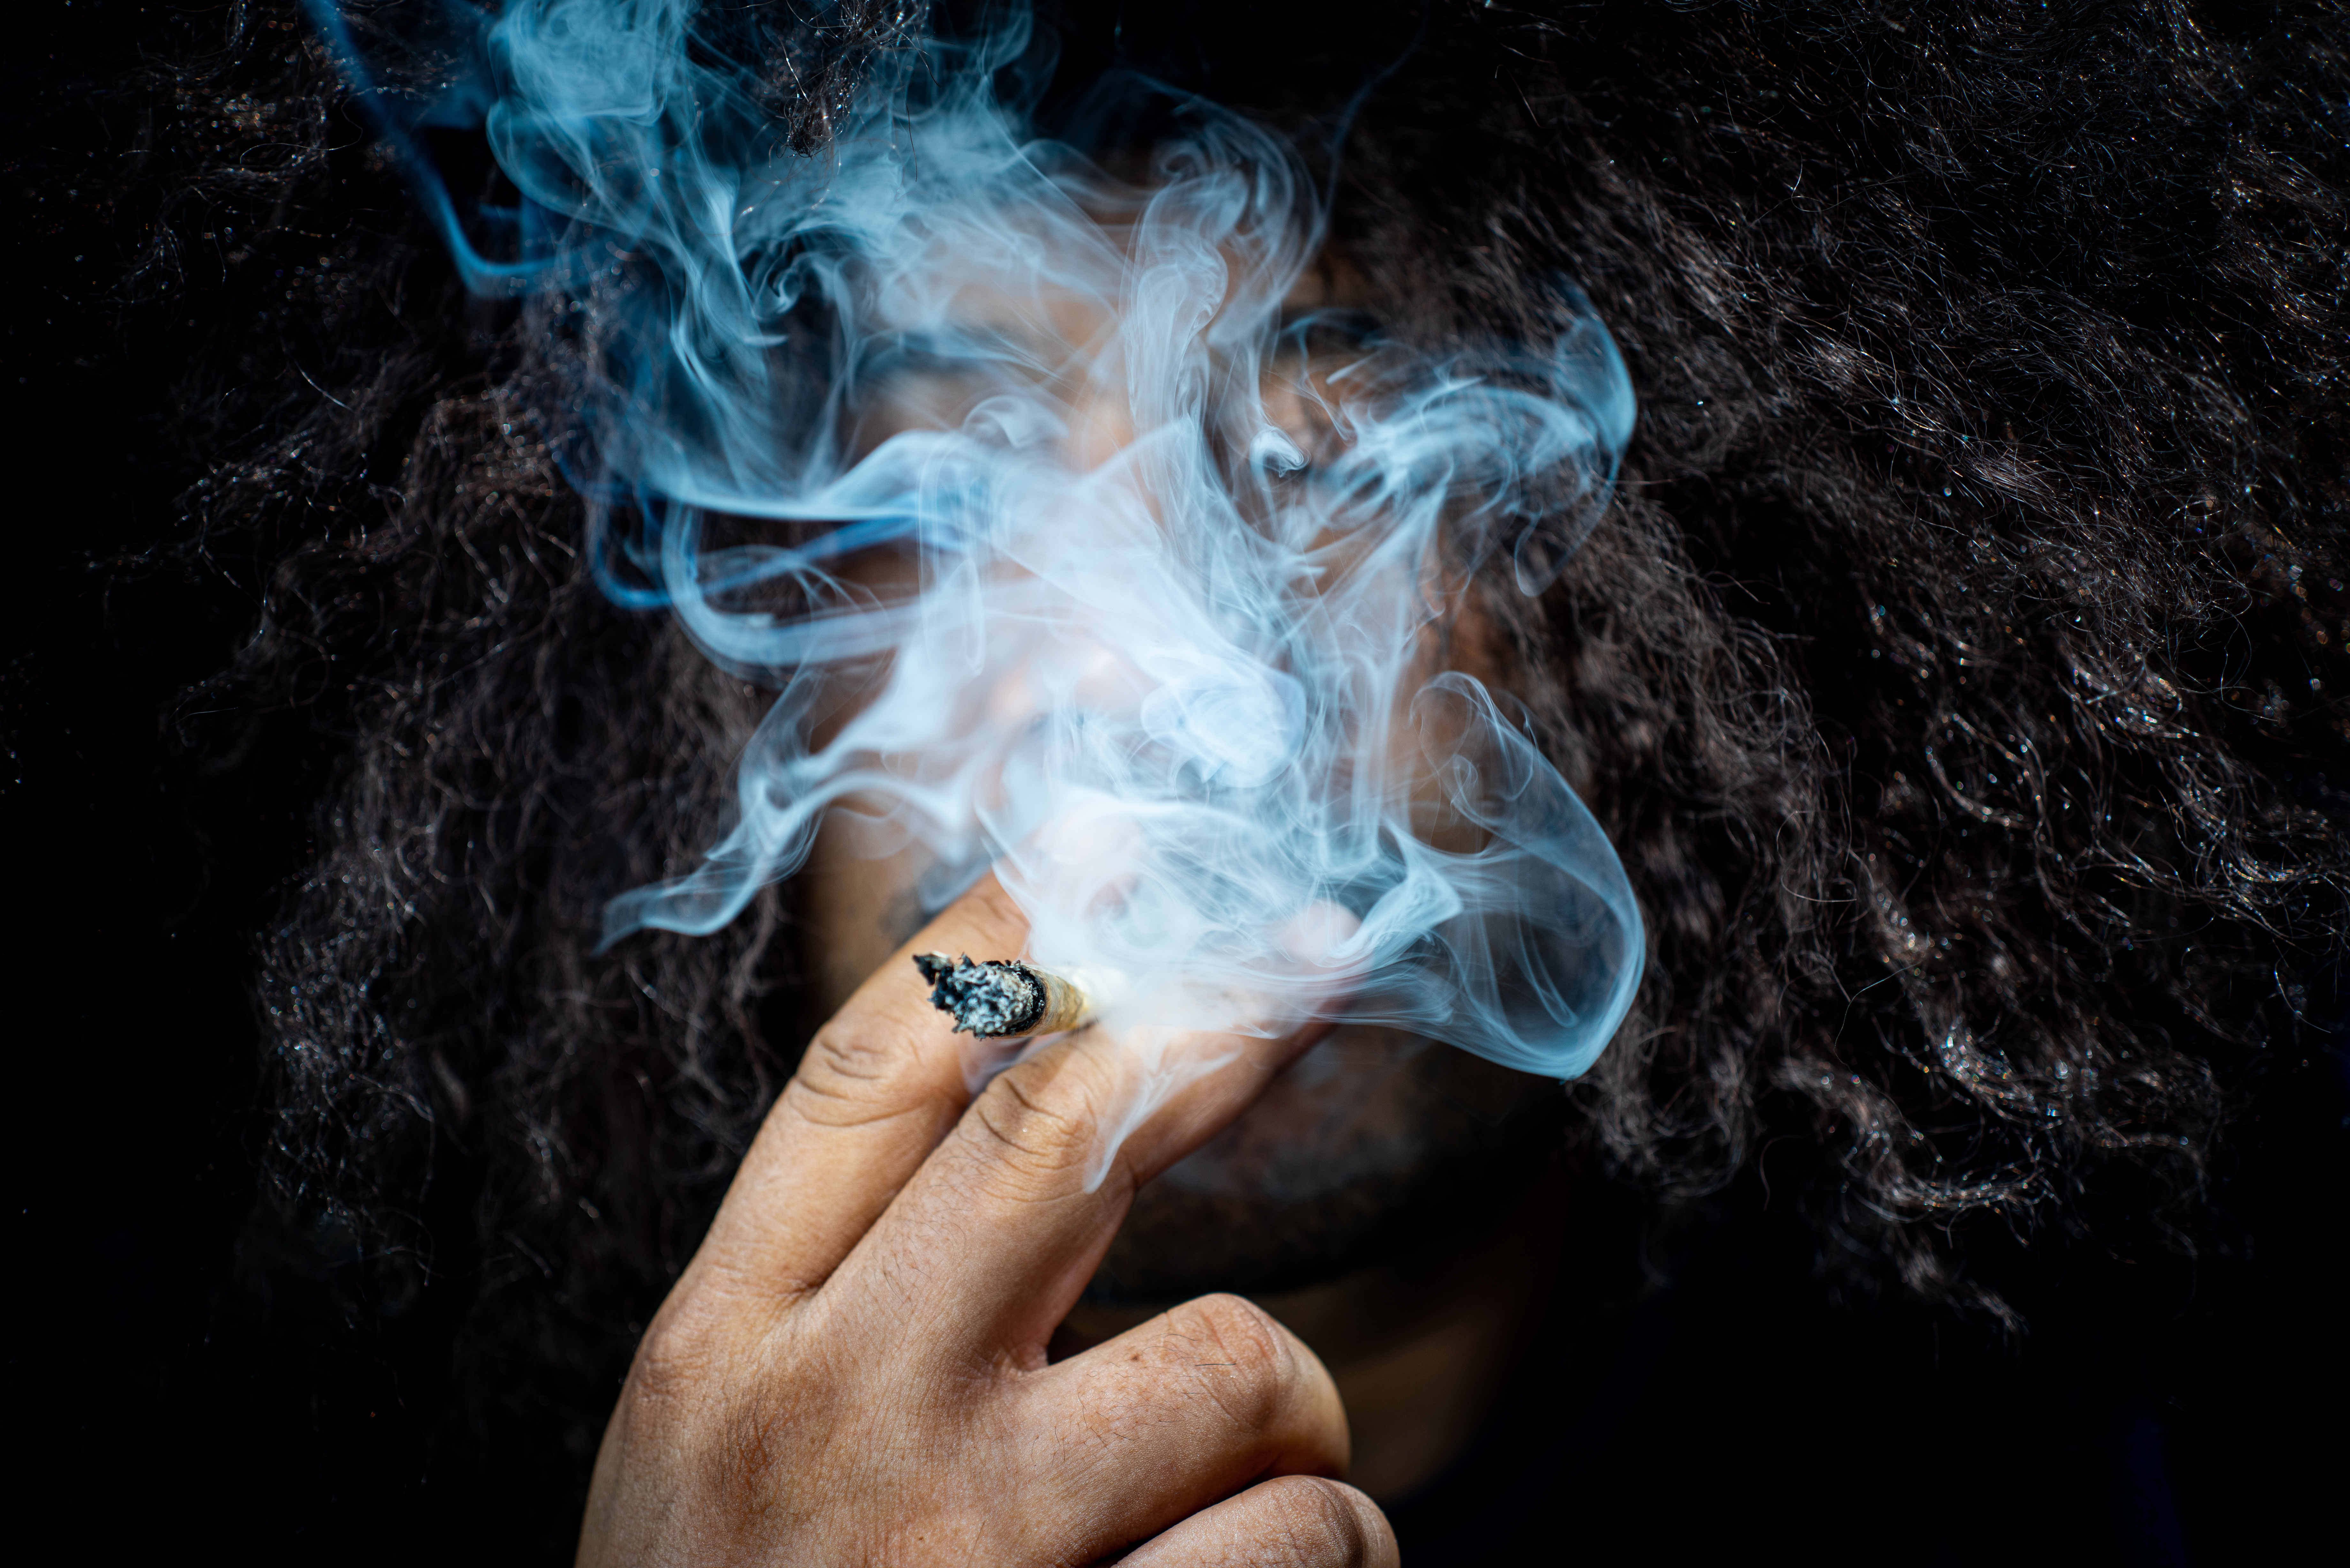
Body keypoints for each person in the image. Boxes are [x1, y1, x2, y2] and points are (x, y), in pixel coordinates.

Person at [25, 0, 2342, 1560]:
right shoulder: (231, 1434)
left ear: (1678, 613)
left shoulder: (2102, 1481)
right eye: (960, 484)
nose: (1157, 680)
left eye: (1318, 464)